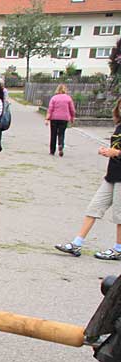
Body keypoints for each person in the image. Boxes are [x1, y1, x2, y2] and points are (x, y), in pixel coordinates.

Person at [55, 97, 121, 260]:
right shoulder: (119, 125)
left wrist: (117, 153)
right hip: (112, 174)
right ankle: (77, 243)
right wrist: (107, 151)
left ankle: (118, 248)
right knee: (94, 207)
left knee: (119, 215)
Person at [45, 84, 75, 157]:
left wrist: (47, 119)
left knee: (53, 134)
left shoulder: (54, 98)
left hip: (54, 118)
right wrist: (72, 117)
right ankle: (61, 144)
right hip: (64, 119)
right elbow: (72, 109)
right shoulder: (68, 98)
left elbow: (50, 109)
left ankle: (52, 151)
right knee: (61, 133)